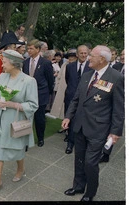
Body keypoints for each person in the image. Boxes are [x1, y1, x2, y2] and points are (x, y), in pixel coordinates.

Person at [61, 45, 124, 201]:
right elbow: (76, 99)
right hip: (80, 125)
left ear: (102, 59)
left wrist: (115, 132)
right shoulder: (87, 75)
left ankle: (90, 193)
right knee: (79, 159)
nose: (88, 58)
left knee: (90, 163)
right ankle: (78, 186)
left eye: (92, 56)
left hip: (99, 128)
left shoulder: (116, 77)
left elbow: (119, 108)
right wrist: (68, 116)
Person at [0, 50, 38, 195]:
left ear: (14, 64)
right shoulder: (2, 76)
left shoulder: (28, 81)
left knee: (18, 149)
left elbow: (33, 105)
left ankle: (20, 169)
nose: (2, 65)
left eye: (4, 62)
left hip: (17, 121)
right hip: (1, 120)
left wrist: (13, 105)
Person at [22, 39, 54, 147]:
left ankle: (40, 138)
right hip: (27, 95)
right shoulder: (25, 62)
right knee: (26, 118)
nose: (29, 50)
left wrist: (47, 92)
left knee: (39, 118)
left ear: (38, 49)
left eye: (31, 48)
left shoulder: (46, 63)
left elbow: (50, 80)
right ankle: (25, 139)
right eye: (28, 48)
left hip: (41, 95)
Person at [64, 45, 91, 154]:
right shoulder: (70, 66)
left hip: (85, 99)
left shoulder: (91, 67)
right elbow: (68, 80)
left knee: (81, 121)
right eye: (81, 53)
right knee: (69, 120)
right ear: (77, 54)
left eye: (85, 53)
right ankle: (70, 143)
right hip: (70, 97)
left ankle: (81, 142)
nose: (84, 55)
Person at [99, 48, 125, 163]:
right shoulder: (116, 67)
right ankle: (105, 153)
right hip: (114, 101)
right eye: (122, 54)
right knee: (112, 126)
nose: (123, 57)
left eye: (126, 55)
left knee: (117, 126)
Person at [50, 48, 78, 120]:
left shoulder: (78, 66)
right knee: (63, 108)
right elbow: (60, 77)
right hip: (62, 89)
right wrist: (57, 87)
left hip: (72, 90)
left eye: (73, 56)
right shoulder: (65, 65)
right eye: (69, 56)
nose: (71, 58)